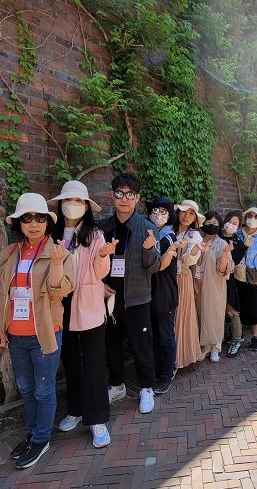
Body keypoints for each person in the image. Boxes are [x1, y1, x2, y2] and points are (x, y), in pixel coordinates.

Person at [0, 193, 73, 469]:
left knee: (43, 389)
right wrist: (1, 327)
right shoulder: (10, 253)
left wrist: (57, 263)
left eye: (40, 218)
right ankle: (33, 434)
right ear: (19, 223)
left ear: (48, 223)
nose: (34, 224)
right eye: (27, 218)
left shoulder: (58, 252)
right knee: (26, 388)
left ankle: (40, 439)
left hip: (45, 333)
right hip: (16, 334)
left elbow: (59, 292)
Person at [48, 181, 115, 447]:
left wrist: (103, 255)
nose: (73, 205)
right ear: (61, 204)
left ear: (86, 206)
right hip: (60, 304)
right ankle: (75, 409)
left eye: (78, 201)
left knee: (94, 362)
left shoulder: (94, 234)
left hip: (89, 306)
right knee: (70, 360)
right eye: (68, 200)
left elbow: (100, 273)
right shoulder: (53, 232)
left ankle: (97, 419)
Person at [97, 173, 160, 415]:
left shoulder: (148, 229)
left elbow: (154, 268)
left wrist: (149, 250)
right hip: (109, 297)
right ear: (112, 195)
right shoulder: (102, 228)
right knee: (111, 343)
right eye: (119, 193)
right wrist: (100, 285)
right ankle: (117, 385)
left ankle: (146, 387)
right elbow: (94, 263)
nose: (124, 199)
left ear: (137, 198)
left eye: (130, 194)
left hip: (137, 297)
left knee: (142, 345)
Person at [145, 197, 180, 396]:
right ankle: (158, 371)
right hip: (150, 292)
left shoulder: (169, 238)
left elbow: (161, 265)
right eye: (155, 212)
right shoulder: (150, 234)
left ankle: (167, 375)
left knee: (166, 335)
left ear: (169, 216)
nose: (158, 215)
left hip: (164, 293)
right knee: (156, 335)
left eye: (163, 212)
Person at [232, 207, 257, 354]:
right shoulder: (237, 234)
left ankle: (255, 337)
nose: (252, 219)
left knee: (256, 308)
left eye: (256, 217)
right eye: (249, 216)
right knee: (238, 306)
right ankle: (239, 334)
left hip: (254, 278)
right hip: (237, 276)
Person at [197, 212, 235, 362]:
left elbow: (224, 269)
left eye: (215, 223)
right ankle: (202, 346)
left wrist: (225, 253)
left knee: (214, 316)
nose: (211, 225)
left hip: (214, 286)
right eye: (208, 222)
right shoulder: (196, 240)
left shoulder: (222, 244)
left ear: (219, 226)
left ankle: (215, 347)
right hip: (195, 284)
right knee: (199, 315)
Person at [173, 199, 205, 370]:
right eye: (184, 211)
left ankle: (179, 357)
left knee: (180, 316)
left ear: (195, 218)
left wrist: (194, 249)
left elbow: (189, 260)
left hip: (182, 278)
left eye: (191, 213)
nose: (186, 216)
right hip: (164, 277)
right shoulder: (168, 229)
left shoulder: (195, 236)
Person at [221, 211, 248, 354]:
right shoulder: (216, 236)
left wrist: (241, 248)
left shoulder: (237, 241)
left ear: (238, 227)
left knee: (231, 309)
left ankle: (237, 339)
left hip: (229, 279)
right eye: (229, 221)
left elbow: (236, 262)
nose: (231, 225)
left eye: (235, 223)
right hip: (212, 279)